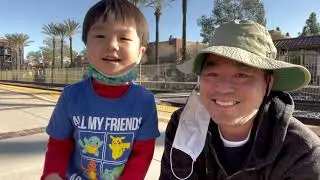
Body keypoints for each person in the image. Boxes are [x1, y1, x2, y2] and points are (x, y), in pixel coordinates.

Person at [160, 20, 320, 180]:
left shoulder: (301, 153)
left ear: (268, 82)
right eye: (212, 74)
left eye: (241, 75)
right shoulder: (183, 126)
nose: (223, 87)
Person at [41, 0, 160, 179]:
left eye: (124, 38)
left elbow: (142, 155)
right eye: (100, 36)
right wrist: (52, 175)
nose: (112, 45)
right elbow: (59, 144)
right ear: (86, 45)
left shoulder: (145, 101)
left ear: (140, 52)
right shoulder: (70, 96)